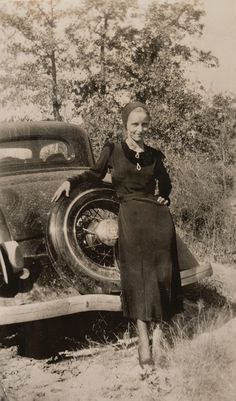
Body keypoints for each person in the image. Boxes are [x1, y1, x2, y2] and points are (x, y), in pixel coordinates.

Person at [52, 101, 183, 371]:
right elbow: (95, 174)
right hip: (130, 219)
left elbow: (166, 184)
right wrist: (70, 182)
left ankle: (158, 338)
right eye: (135, 124)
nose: (140, 129)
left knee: (161, 277)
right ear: (125, 124)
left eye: (145, 124)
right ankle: (143, 343)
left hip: (157, 221)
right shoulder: (111, 149)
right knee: (137, 279)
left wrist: (164, 197)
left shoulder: (155, 155)